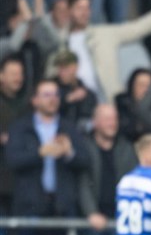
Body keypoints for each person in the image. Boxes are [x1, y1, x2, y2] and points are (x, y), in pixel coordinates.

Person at [5, 79, 90, 218]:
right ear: (35, 100)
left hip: (63, 205)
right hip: (30, 205)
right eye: (47, 95)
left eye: (56, 94)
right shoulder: (20, 127)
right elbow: (12, 160)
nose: (53, 99)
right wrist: (39, 153)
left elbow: (85, 160)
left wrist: (69, 153)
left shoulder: (69, 127)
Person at [79, 104, 138, 235]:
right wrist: (91, 212)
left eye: (114, 119)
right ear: (95, 122)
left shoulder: (127, 148)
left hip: (122, 220)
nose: (112, 123)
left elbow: (133, 182)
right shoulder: (83, 147)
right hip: (91, 222)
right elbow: (82, 183)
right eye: (107, 119)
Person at [0, 56, 29, 215]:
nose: (18, 78)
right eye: (13, 74)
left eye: (20, 74)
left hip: (21, 186)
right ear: (1, 76)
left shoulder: (28, 106)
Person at [51, 50, 98, 131]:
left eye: (65, 68)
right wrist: (67, 99)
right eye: (59, 68)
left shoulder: (87, 93)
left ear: (75, 67)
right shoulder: (51, 87)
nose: (61, 72)